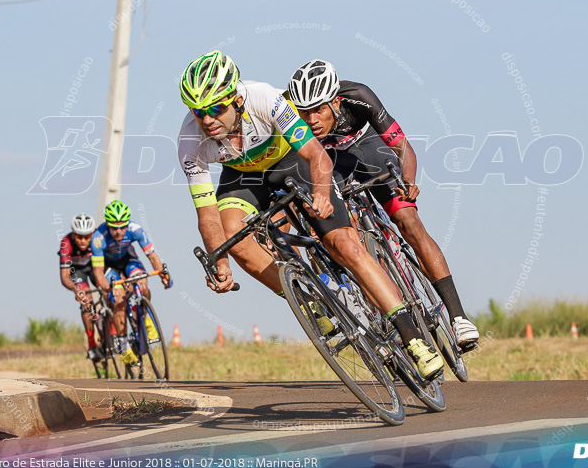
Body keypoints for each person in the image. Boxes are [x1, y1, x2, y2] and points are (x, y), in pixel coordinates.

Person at [177, 51, 444, 379]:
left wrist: (321, 193)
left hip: (292, 159)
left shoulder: (267, 99)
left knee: (344, 243)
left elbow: (316, 154)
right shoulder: (190, 141)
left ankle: (413, 338)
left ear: (235, 98)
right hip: (243, 176)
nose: (207, 120)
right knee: (233, 238)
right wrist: (220, 263)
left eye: (216, 108)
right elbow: (207, 215)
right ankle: (310, 301)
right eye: (198, 112)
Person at [288, 59, 479, 349]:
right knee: (328, 229)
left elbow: (403, 147)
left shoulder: (359, 96)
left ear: (336, 102)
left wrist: (408, 180)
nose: (311, 119)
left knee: (408, 221)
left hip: (367, 146)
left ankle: (458, 317)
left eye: (318, 110)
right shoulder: (287, 113)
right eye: (304, 113)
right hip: (328, 159)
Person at [91, 199, 171, 366]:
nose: (119, 231)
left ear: (128, 224)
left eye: (122, 226)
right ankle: (124, 347)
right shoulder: (98, 238)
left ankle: (146, 316)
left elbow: (152, 256)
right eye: (114, 227)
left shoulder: (137, 230)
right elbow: (98, 273)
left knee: (142, 281)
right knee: (119, 299)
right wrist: (109, 290)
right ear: (108, 224)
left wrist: (163, 274)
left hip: (128, 260)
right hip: (108, 265)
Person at [58, 213, 101, 362]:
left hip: (96, 267)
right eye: (79, 237)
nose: (83, 241)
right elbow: (64, 276)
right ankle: (91, 343)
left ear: (93, 234)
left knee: (111, 291)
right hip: (78, 271)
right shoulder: (66, 243)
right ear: (73, 234)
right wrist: (76, 289)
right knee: (86, 301)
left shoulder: (98, 239)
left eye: (87, 237)